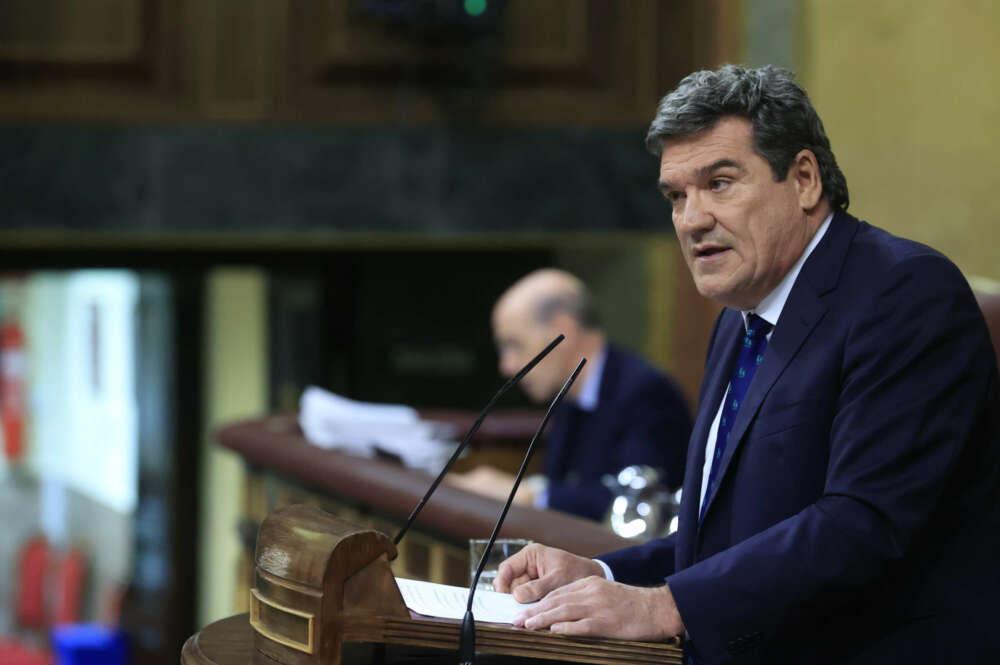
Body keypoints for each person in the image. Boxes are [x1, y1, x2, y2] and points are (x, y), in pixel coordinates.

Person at [493, 65, 1000, 664]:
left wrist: (663, 607)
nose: (692, 218)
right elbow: (730, 540)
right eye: (677, 196)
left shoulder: (903, 292)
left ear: (804, 179)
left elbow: (863, 524)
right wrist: (602, 570)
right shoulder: (741, 320)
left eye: (720, 183)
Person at [447, 268, 692, 521]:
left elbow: (636, 505)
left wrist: (528, 495)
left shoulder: (646, 392)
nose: (506, 366)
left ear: (563, 331)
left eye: (514, 345)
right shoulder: (566, 393)